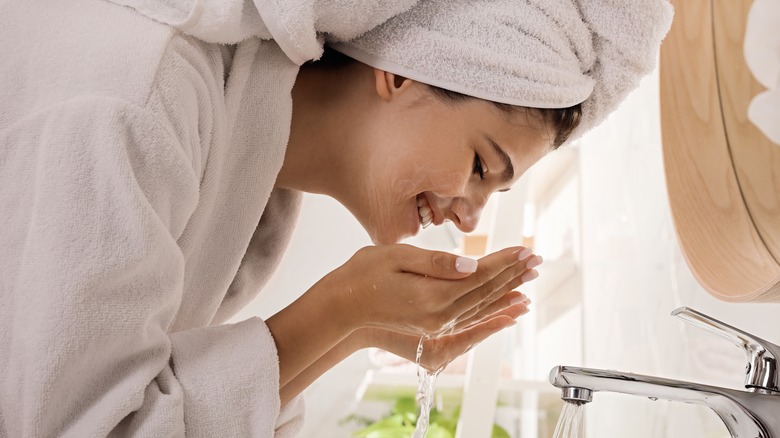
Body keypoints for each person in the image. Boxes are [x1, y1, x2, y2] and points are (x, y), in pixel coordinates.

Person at [0, 0, 673, 436]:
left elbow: (144, 404)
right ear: (406, 74)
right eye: (479, 166)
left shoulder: (258, 197)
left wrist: (356, 330)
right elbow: (71, 425)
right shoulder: (141, 102)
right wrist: (340, 310)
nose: (468, 216)